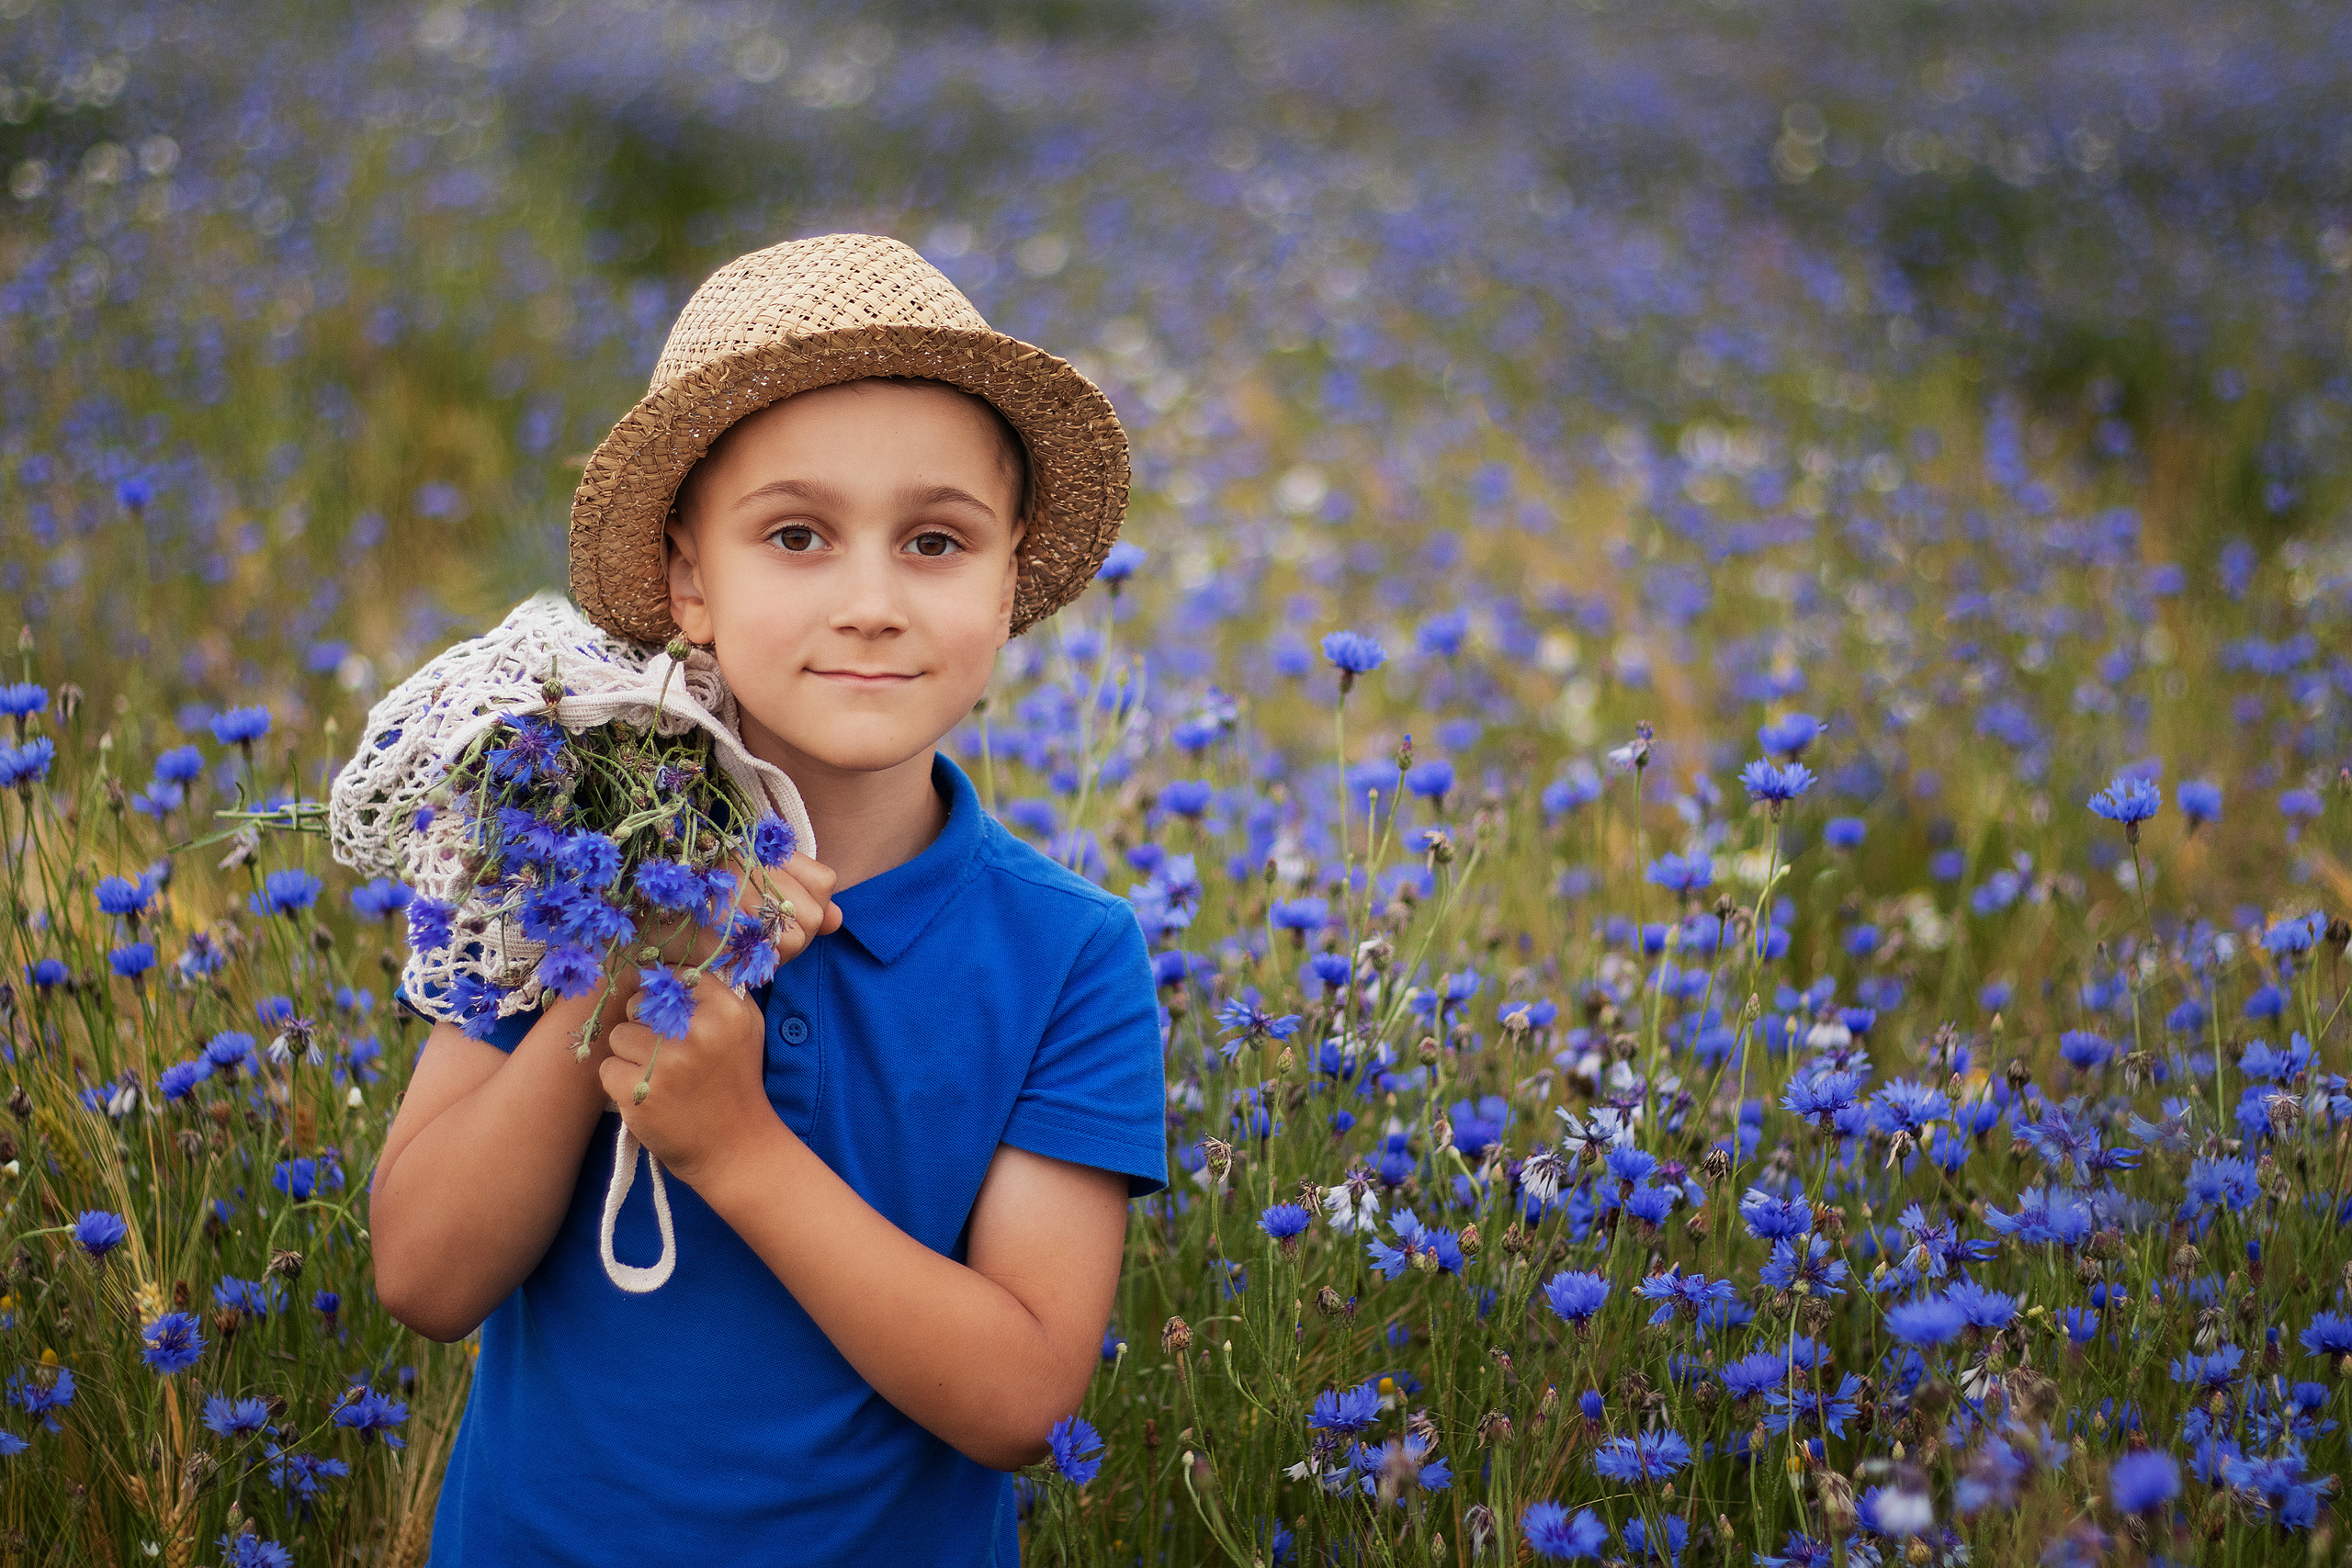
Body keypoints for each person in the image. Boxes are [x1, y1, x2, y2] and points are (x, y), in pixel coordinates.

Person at [366, 232, 1167, 1565]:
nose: (870, 603)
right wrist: (620, 979)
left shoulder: (1070, 956)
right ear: (690, 579)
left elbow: (1024, 1400)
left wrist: (738, 1150)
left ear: (1010, 574)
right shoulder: (556, 864)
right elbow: (425, 1279)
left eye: (934, 541)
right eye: (797, 536)